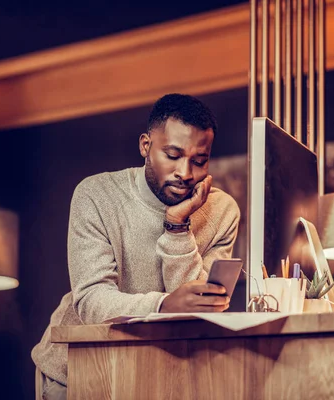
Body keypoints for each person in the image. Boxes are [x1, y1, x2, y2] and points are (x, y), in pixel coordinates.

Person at [32, 93, 240, 399]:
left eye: (199, 160)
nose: (185, 173)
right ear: (146, 146)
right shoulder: (97, 195)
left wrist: (178, 226)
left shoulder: (222, 211)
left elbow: (194, 314)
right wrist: (163, 306)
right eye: (172, 155)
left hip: (155, 373)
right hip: (76, 370)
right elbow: (91, 301)